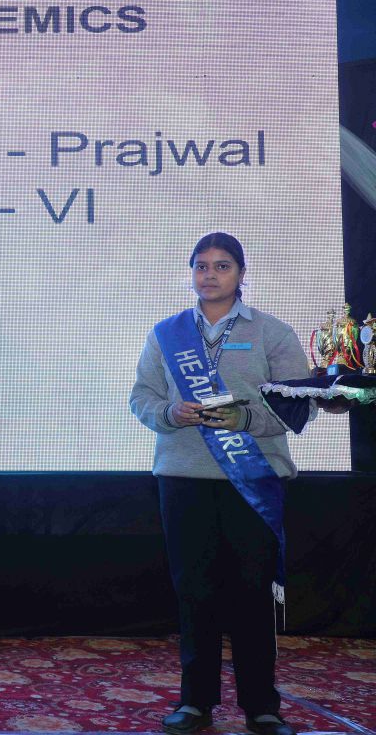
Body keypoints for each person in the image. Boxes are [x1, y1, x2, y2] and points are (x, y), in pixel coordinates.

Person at [130, 233, 306, 735]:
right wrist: (170, 412)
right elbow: (141, 397)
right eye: (201, 266)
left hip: (253, 478)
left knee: (252, 594)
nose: (210, 275)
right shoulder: (166, 333)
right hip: (183, 478)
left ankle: (262, 706)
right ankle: (195, 703)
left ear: (241, 274)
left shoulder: (273, 332)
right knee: (194, 593)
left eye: (222, 266)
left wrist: (245, 420)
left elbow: (298, 406)